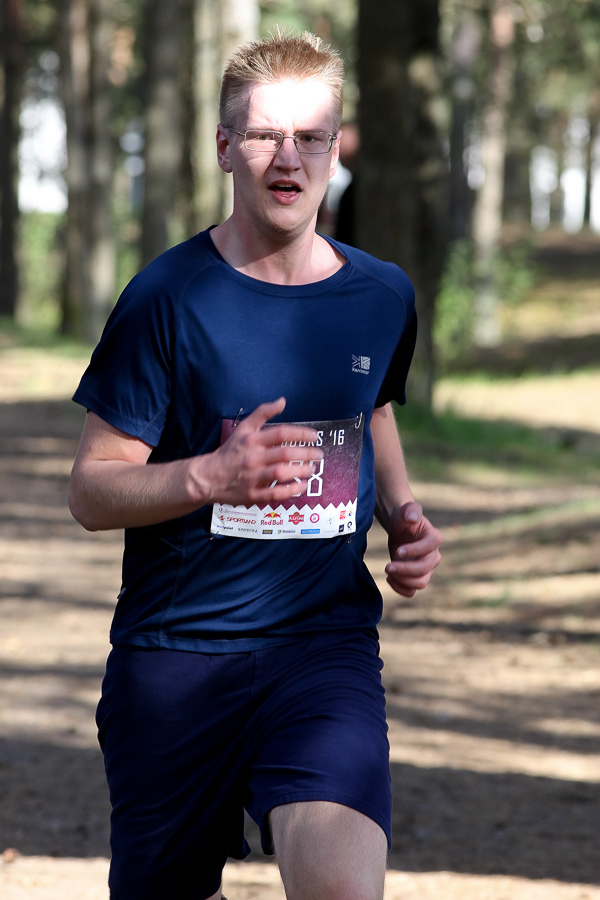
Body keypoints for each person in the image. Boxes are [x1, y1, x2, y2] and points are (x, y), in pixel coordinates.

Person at [69, 28, 442, 900]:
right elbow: (91, 490)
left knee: (343, 890)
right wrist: (209, 476)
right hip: (177, 660)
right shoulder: (166, 298)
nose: (288, 157)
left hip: (323, 649)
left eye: (311, 136)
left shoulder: (382, 294)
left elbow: (372, 405)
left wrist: (402, 512)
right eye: (266, 134)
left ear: (336, 150)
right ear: (224, 146)